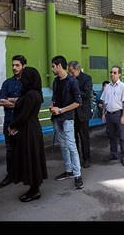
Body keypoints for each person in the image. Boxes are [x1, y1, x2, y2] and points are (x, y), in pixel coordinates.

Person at [8, 67, 48, 202]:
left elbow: (24, 115)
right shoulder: (34, 93)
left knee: (31, 159)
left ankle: (35, 190)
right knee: (32, 158)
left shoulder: (31, 94)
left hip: (29, 130)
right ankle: (33, 188)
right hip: (30, 128)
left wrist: (12, 125)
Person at [50, 56, 84, 189]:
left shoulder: (72, 81)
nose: (52, 69)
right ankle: (68, 170)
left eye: (53, 66)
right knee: (63, 145)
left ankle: (77, 175)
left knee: (71, 146)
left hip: (67, 118)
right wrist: (52, 106)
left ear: (59, 66)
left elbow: (78, 102)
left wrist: (61, 110)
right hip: (57, 118)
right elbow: (54, 97)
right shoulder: (55, 81)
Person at [0, 55, 26, 188]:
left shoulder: (28, 83)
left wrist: (13, 100)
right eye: (13, 65)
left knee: (24, 148)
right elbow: (1, 101)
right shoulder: (7, 83)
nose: (14, 67)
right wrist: (20, 103)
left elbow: (30, 102)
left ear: (23, 66)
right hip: (9, 121)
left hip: (23, 122)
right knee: (10, 150)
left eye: (17, 65)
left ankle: (24, 173)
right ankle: (10, 174)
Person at [101, 66, 124, 166]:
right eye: (111, 72)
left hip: (118, 114)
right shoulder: (107, 87)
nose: (112, 74)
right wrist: (103, 113)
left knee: (122, 137)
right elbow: (104, 101)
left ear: (119, 74)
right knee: (112, 136)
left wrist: (123, 116)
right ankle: (113, 154)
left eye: (114, 72)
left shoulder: (123, 87)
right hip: (109, 115)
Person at [67, 61, 93, 168]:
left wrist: (75, 92)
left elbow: (87, 94)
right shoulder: (69, 79)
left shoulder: (86, 78)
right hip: (72, 113)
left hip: (82, 113)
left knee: (84, 137)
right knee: (73, 138)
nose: (71, 74)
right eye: (69, 72)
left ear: (78, 69)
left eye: (72, 72)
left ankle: (87, 158)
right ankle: (75, 159)